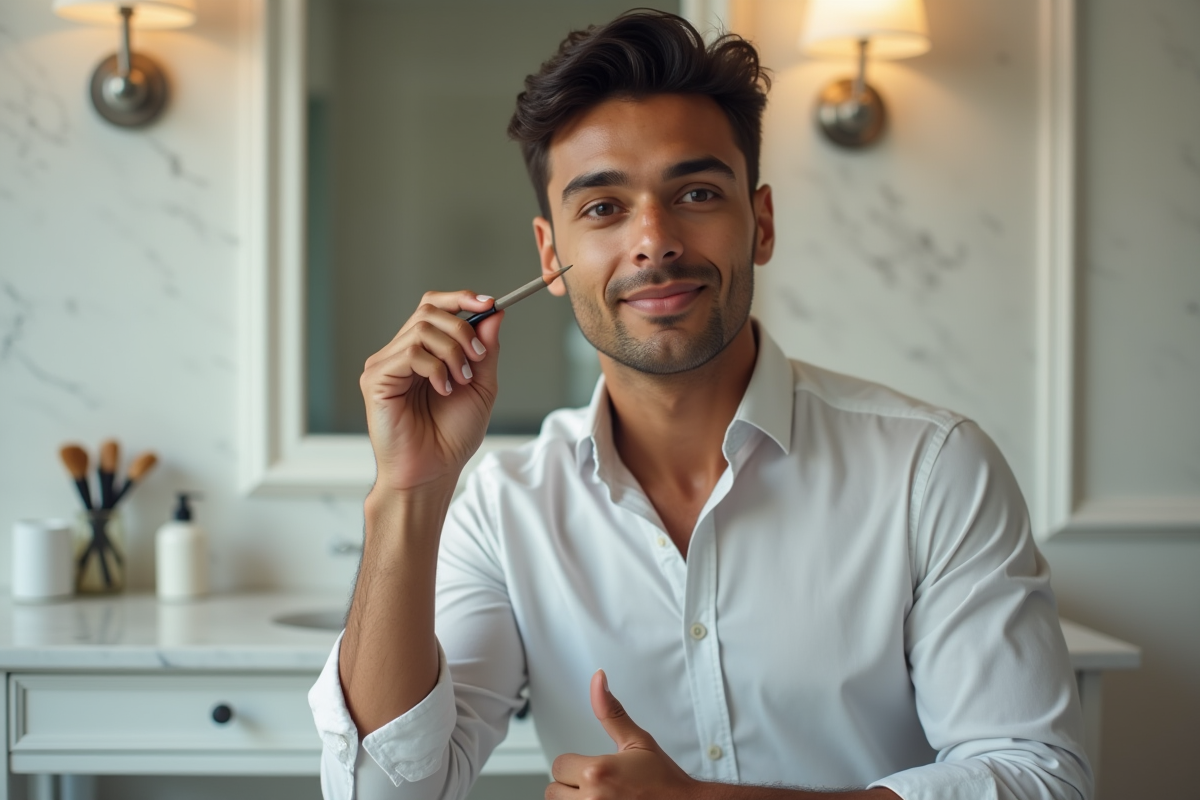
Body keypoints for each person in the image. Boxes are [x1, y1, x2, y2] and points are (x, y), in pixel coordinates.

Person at [309, 10, 1092, 800]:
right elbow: (381, 793)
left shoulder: (934, 468)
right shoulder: (504, 510)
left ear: (762, 223)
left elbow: (1039, 781)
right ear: (550, 256)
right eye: (603, 207)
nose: (654, 240)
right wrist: (407, 491)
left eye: (695, 192)